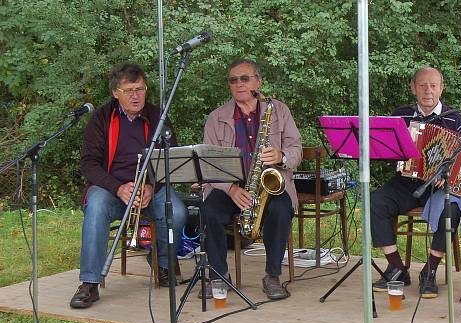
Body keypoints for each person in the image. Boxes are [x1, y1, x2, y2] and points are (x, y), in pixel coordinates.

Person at [70, 62, 188, 309]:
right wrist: (118, 188)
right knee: (96, 208)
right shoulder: (101, 118)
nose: (136, 95)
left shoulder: (158, 116)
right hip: (112, 189)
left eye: (141, 89)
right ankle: (89, 283)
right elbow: (89, 165)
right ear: (115, 92)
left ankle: (163, 264)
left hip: (149, 187)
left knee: (177, 212)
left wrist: (151, 187)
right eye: (129, 90)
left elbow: (171, 157)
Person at [371, 66, 461, 299]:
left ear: (441, 88)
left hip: (440, 187)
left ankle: (430, 270)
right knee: (376, 201)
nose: (428, 91)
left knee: (451, 209)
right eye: (422, 85)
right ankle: (396, 267)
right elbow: (382, 149)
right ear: (413, 88)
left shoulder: (455, 119)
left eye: (433, 85)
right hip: (406, 182)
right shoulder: (400, 116)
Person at [201, 58, 301, 300]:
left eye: (244, 79)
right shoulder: (216, 117)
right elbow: (208, 162)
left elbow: (296, 149)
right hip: (230, 187)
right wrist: (231, 189)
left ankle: (272, 275)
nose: (239, 84)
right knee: (209, 211)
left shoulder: (279, 110)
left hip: (269, 184)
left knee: (281, 209)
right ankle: (219, 275)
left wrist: (281, 155)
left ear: (258, 82)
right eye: (233, 80)